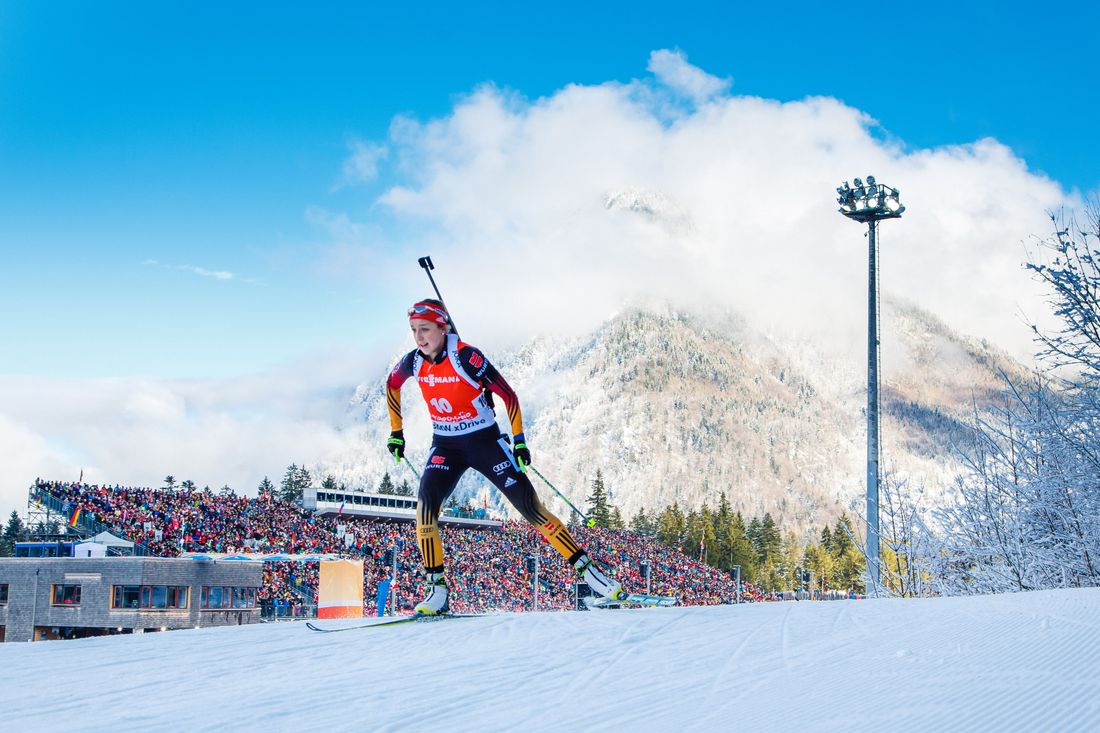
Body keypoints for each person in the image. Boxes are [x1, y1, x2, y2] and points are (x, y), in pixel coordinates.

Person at [385, 299, 624, 614]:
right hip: (445, 445)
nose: (419, 337)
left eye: (425, 330)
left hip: (484, 442)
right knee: (425, 510)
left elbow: (508, 395)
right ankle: (437, 592)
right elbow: (391, 385)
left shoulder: (467, 356)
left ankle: (593, 576)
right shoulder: (413, 362)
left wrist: (520, 441)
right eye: (414, 330)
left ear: (442, 328)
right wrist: (396, 432)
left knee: (531, 509)